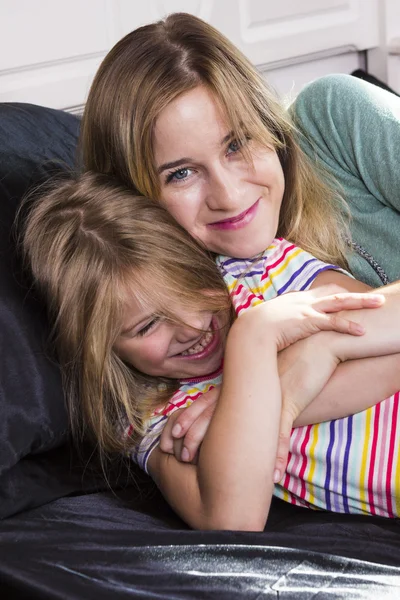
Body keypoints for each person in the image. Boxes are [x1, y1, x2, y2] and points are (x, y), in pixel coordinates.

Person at [78, 12, 400, 472]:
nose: (229, 196)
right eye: (181, 173)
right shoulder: (199, 310)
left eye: (237, 143)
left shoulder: (334, 118)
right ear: (132, 203)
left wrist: (312, 357)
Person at [22, 172, 400, 531]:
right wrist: (254, 340)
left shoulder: (259, 270)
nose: (191, 327)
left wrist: (253, 405)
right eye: (148, 326)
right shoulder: (154, 416)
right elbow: (233, 517)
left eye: (192, 286)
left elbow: (386, 322)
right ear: (102, 350)